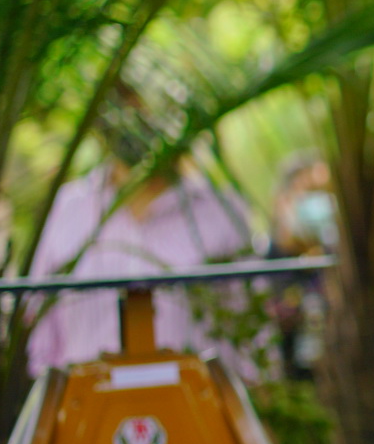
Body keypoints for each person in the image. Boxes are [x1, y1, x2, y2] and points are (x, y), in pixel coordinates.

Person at [28, 88, 256, 374]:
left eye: (147, 109)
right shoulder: (65, 209)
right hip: (86, 411)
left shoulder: (222, 212)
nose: (135, 121)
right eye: (125, 106)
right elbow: (40, 342)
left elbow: (254, 341)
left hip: (197, 412)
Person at [260, 151, 344, 444]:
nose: (319, 205)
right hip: (287, 421)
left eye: (326, 194)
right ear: (283, 200)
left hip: (340, 419)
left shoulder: (345, 268)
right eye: (309, 193)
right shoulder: (261, 269)